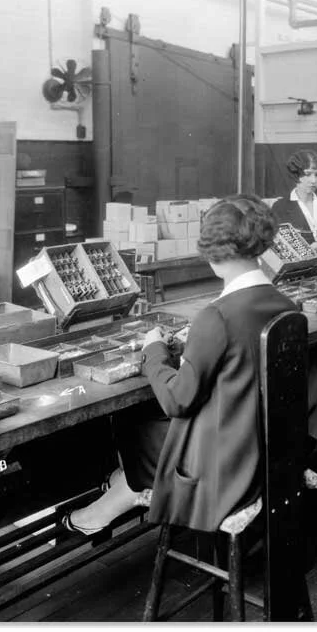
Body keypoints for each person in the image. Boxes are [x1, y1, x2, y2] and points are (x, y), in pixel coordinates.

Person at [63, 195, 297, 534]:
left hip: (220, 466)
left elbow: (177, 401)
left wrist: (154, 351)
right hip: (260, 446)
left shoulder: (216, 316)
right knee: (146, 425)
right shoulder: (284, 303)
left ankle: (125, 493)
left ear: (212, 252)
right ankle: (124, 485)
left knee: (133, 422)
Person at [271, 149, 317, 251]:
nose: (313, 180)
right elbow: (276, 249)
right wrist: (307, 251)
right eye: (307, 174)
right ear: (296, 175)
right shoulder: (280, 207)